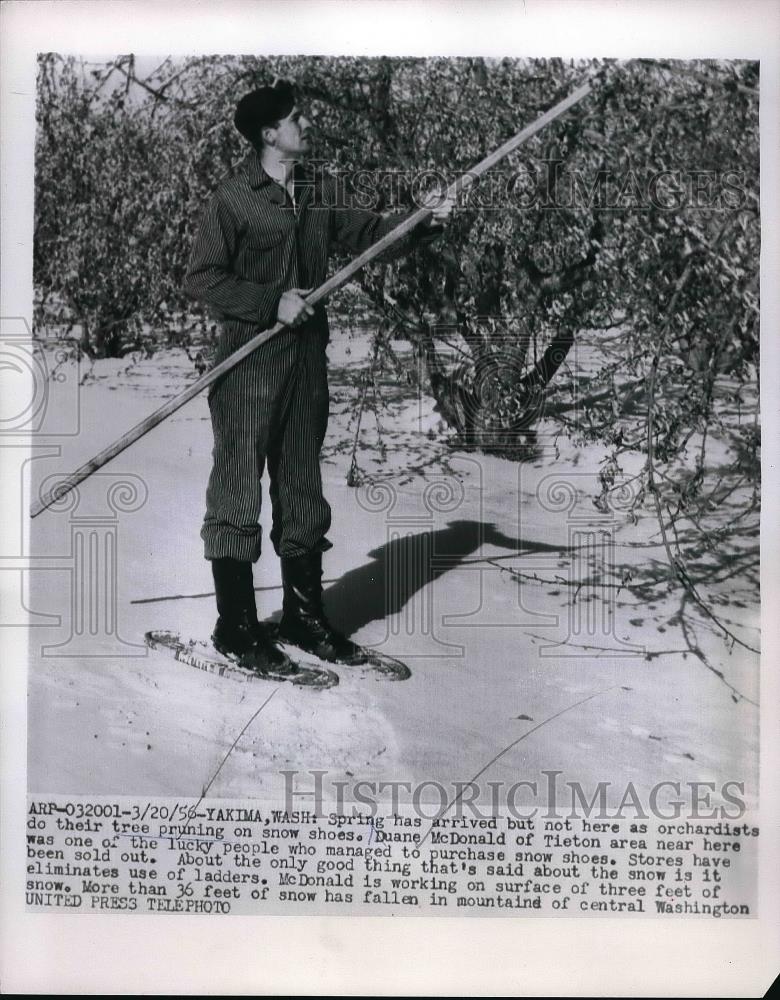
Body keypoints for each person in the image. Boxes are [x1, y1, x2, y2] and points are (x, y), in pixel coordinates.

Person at [184, 80, 452, 676]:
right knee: (238, 488)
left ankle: (305, 618)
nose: (306, 122)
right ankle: (236, 629)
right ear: (268, 134)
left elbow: (370, 238)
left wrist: (421, 220)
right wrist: (269, 302)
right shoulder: (233, 199)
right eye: (295, 117)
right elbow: (201, 278)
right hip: (249, 362)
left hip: (306, 363)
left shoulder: (320, 191)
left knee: (302, 487)